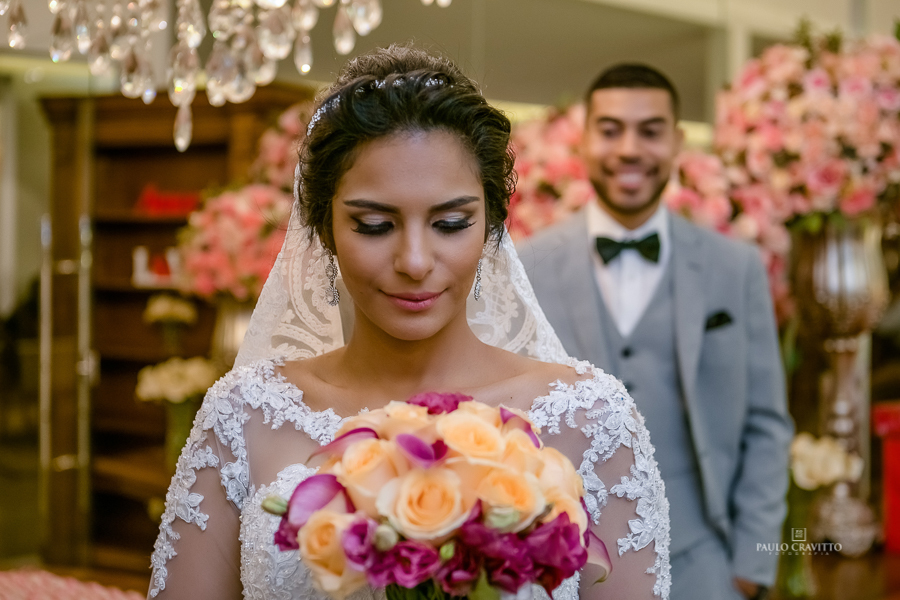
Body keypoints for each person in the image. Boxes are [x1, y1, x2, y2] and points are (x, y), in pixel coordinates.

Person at [147, 46, 670, 600]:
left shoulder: (593, 421)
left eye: (450, 223)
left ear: (492, 227)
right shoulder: (244, 415)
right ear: (323, 230)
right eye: (374, 225)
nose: (415, 261)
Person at [518, 64, 793, 600]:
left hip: (706, 563)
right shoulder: (527, 268)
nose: (629, 149)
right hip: (561, 568)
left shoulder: (735, 267)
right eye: (611, 129)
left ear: (677, 141)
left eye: (650, 131)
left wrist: (752, 564)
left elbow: (766, 423)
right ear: (585, 138)